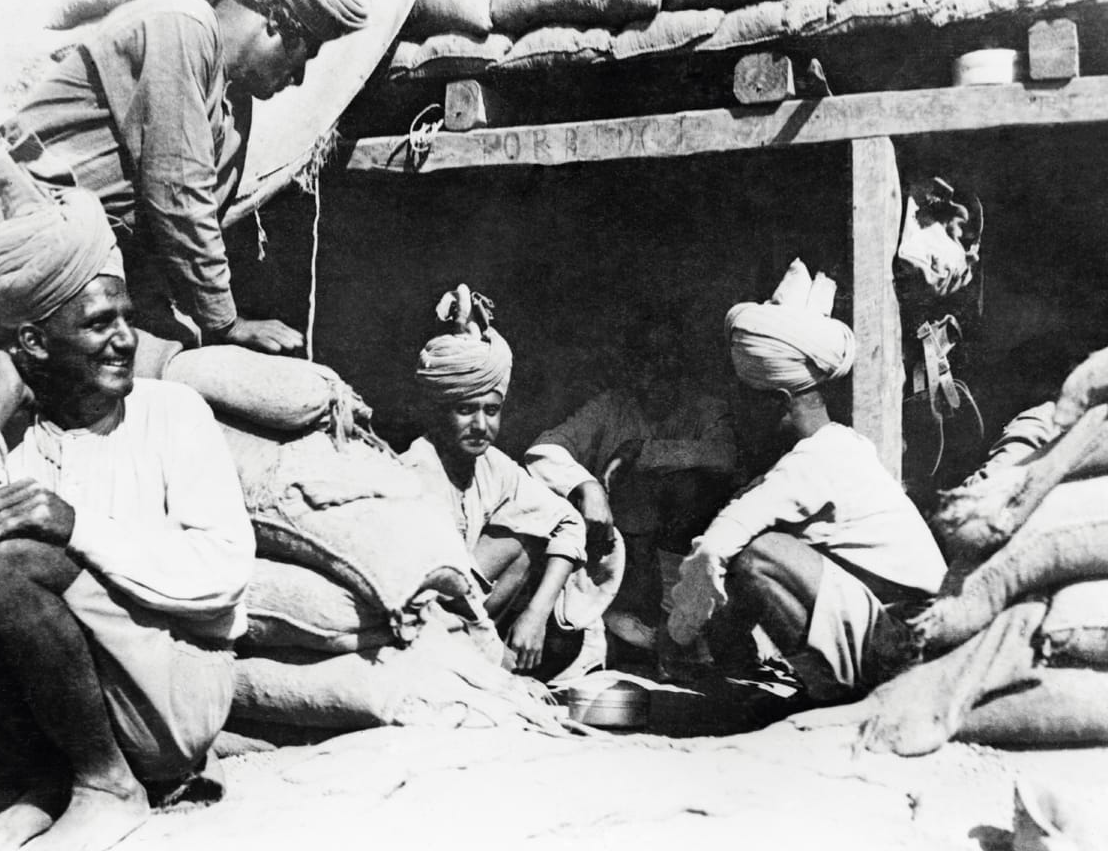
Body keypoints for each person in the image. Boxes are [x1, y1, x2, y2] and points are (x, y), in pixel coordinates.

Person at [0, 144, 255, 851]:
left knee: (8, 560)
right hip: (76, 709)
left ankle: (108, 787)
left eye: (124, 318)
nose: (125, 340)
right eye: (99, 325)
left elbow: (222, 575)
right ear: (33, 342)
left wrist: (74, 525)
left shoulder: (173, 412)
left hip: (172, 691)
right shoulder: (23, 446)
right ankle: (44, 784)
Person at [0, 0, 371, 461]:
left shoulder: (232, 104)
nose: (299, 78)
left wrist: (177, 330)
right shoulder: (182, 24)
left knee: (9, 454)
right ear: (276, 23)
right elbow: (179, 198)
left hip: (69, 286)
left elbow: (161, 232)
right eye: (307, 54)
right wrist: (225, 323)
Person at [667, 259, 946, 703]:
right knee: (755, 542)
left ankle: (833, 694)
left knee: (758, 554)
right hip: (907, 634)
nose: (740, 412)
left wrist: (677, 633)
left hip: (914, 644)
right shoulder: (840, 446)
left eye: (747, 399)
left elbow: (719, 545)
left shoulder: (815, 462)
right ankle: (741, 670)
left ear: (778, 401)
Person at [401, 285, 619, 680]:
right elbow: (431, 594)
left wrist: (535, 614)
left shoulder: (493, 465)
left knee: (522, 542)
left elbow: (567, 522)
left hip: (466, 615)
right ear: (436, 412)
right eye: (464, 410)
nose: (481, 425)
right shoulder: (418, 472)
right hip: (424, 617)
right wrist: (494, 655)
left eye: (492, 410)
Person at [524, 313, 739, 651]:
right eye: (649, 358)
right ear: (632, 366)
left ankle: (679, 629)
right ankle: (615, 624)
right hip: (619, 561)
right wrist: (589, 487)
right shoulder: (610, 409)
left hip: (683, 569)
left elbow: (725, 457)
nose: (660, 369)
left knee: (688, 487)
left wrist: (643, 452)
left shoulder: (706, 408)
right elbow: (545, 449)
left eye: (670, 356)